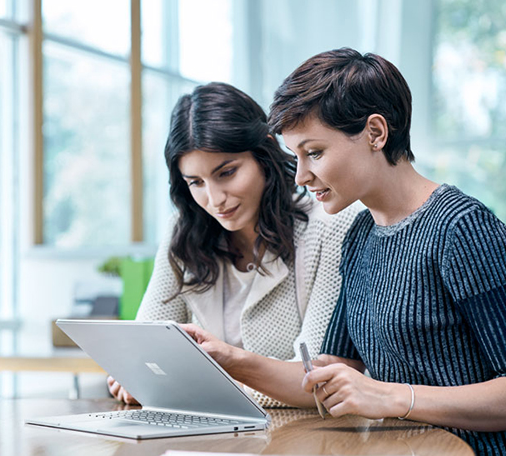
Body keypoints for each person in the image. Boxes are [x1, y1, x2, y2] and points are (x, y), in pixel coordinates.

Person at [181, 49, 506, 456]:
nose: (301, 176)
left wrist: (392, 396)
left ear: (375, 132)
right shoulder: (359, 234)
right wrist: (231, 361)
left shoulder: (462, 229)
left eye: (314, 152)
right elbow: (330, 372)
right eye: (296, 157)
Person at [108, 82, 362, 406]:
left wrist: (187, 386)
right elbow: (142, 354)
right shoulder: (183, 232)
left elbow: (317, 380)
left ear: (264, 154)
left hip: (306, 442)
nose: (215, 200)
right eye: (196, 183)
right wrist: (134, 380)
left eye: (226, 173)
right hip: (210, 438)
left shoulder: (332, 226)